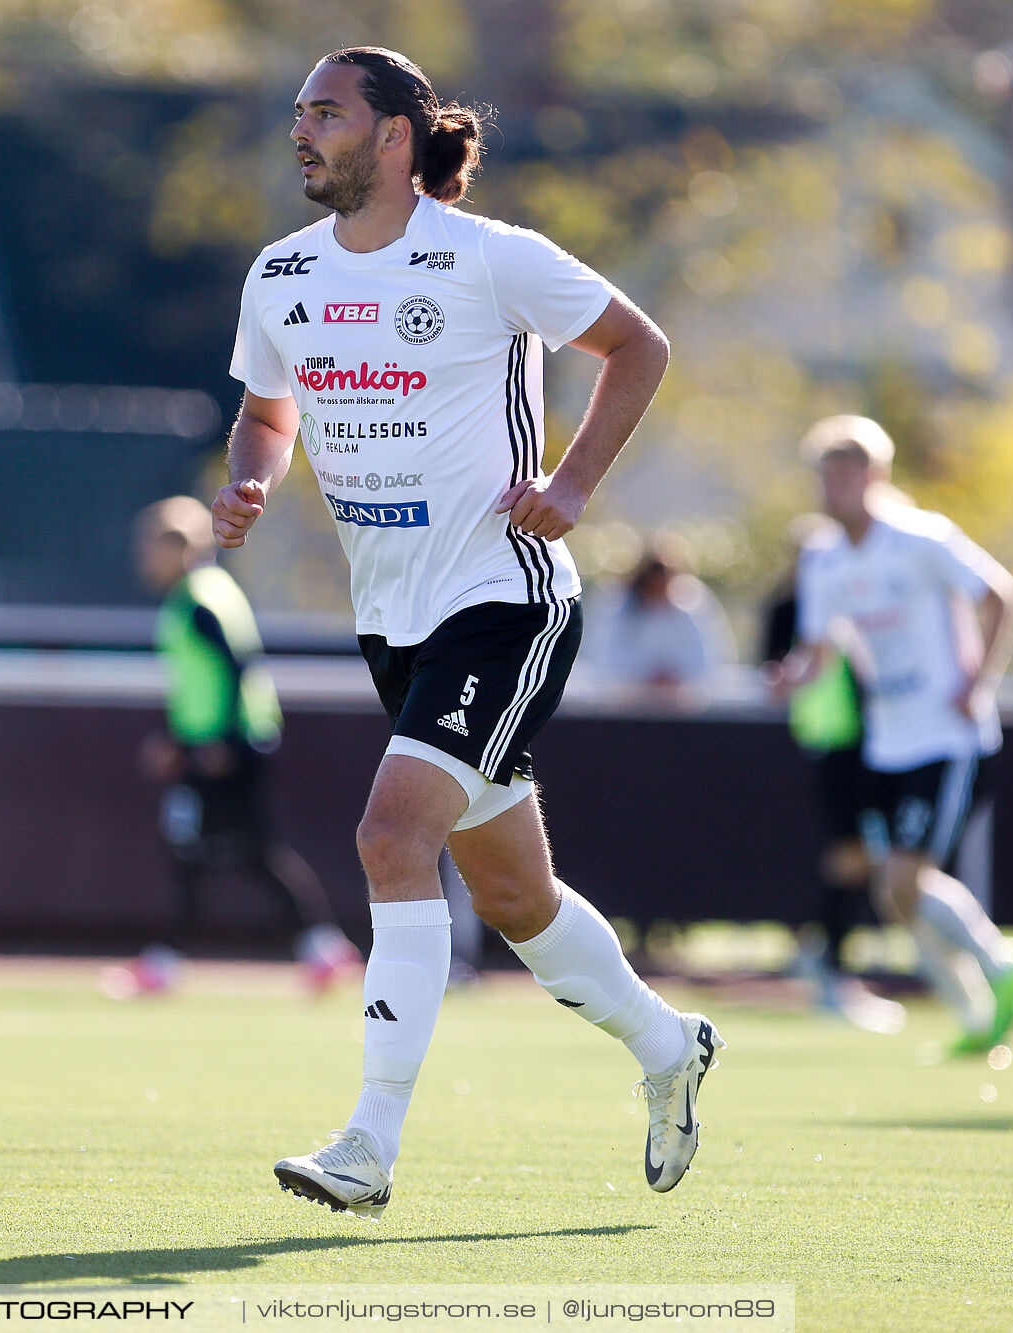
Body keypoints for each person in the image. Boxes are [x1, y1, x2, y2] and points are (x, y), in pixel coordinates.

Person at [216, 46, 717, 1218]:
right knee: (515, 896)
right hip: (392, 622)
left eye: (326, 113)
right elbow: (263, 411)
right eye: (297, 114)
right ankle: (666, 1045)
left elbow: (638, 345)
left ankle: (368, 1146)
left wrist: (576, 482)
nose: (303, 132)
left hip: (504, 600)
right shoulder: (280, 273)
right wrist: (252, 479)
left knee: (391, 836)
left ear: (395, 136)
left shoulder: (489, 257)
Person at [773, 415, 1013, 1056]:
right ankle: (978, 1011)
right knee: (896, 894)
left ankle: (1003, 964)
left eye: (845, 475)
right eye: (825, 477)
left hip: (947, 737)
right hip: (885, 741)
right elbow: (817, 645)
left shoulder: (922, 539)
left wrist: (978, 682)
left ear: (875, 476)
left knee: (903, 881)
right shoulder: (825, 559)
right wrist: (792, 675)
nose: (833, 489)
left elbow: (1002, 596)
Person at [107, 496, 362, 998]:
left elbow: (235, 669)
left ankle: (165, 964)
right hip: (222, 743)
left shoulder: (199, 601)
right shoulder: (210, 592)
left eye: (151, 545)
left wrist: (215, 743)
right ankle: (321, 952)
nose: (143, 557)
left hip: (223, 748)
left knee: (204, 849)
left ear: (178, 546)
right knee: (237, 852)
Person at [761, 517, 904, 1034]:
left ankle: (827, 959)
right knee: (851, 853)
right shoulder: (791, 607)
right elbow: (777, 669)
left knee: (864, 856)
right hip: (836, 742)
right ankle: (831, 966)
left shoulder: (860, 599)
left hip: (878, 738)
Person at [596, 532, 735, 693]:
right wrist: (645, 678)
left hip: (682, 705)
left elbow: (712, 657)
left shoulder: (693, 603)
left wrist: (675, 677)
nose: (659, 587)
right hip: (626, 705)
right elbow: (605, 660)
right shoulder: (617, 605)